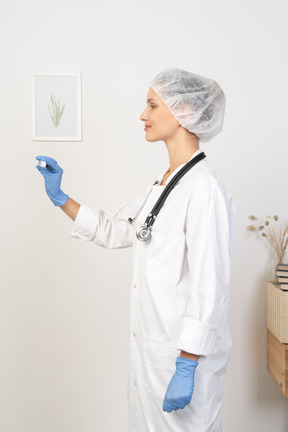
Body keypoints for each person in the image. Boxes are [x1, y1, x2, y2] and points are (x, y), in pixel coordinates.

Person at [36, 68, 236, 432]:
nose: (142, 115)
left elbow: (211, 285)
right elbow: (119, 229)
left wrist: (188, 363)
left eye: (152, 105)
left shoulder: (204, 190)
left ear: (185, 113)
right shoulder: (163, 184)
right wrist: (62, 199)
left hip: (180, 361)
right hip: (153, 357)